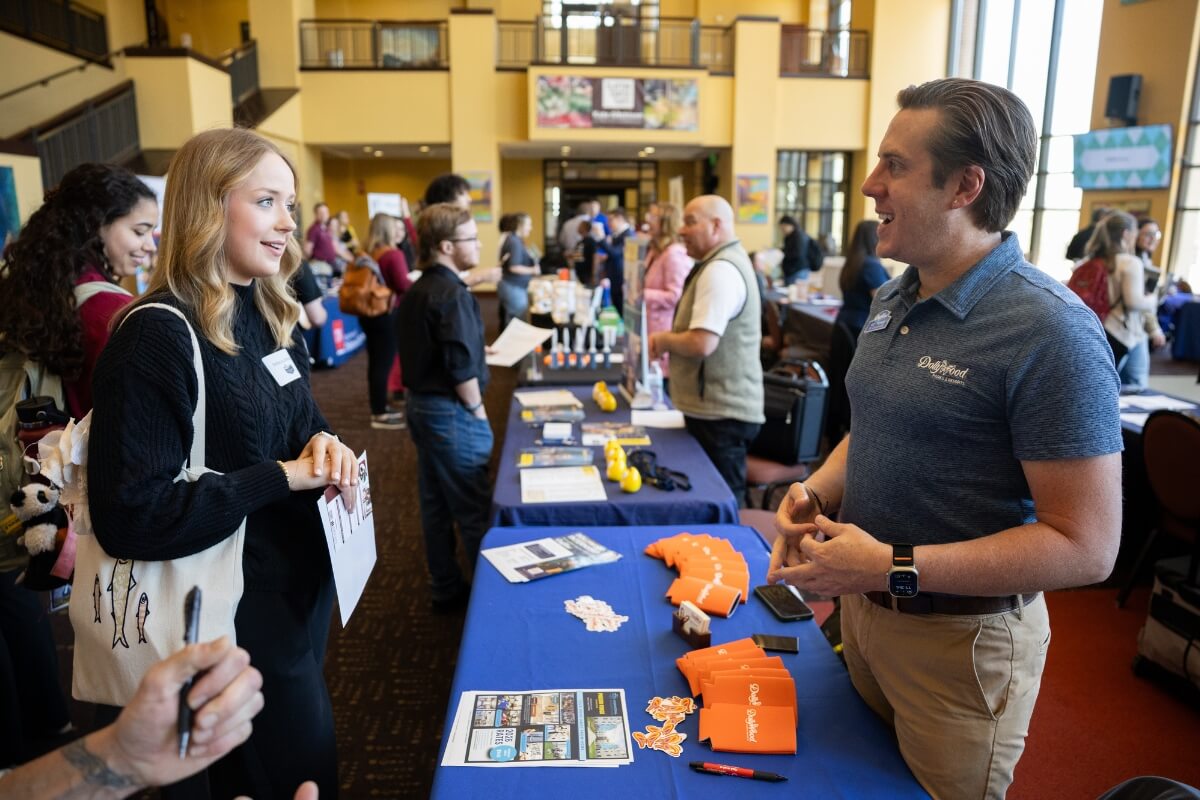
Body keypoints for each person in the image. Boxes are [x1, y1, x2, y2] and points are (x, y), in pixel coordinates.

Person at [769, 78, 1123, 800]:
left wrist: (895, 565)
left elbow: (1086, 547)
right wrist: (811, 492)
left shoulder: (1050, 331)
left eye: (894, 166)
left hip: (961, 648)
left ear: (965, 185)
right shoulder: (896, 293)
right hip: (865, 614)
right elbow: (871, 429)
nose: (871, 186)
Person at [89, 127, 360, 799]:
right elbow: (132, 516)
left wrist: (326, 445)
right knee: (296, 776)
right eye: (267, 201)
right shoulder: (156, 334)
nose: (289, 223)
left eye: (289, 204)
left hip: (293, 594)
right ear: (209, 207)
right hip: (227, 615)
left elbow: (301, 426)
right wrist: (286, 476)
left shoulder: (264, 312)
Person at [0, 163, 157, 769]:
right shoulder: (114, 311)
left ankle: (50, 738)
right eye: (140, 229)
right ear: (98, 227)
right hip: (103, 498)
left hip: (45, 490)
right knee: (126, 640)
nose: (149, 244)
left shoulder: (37, 291)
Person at [396, 203, 493, 612]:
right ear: (448, 246)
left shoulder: (418, 288)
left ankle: (445, 586)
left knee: (436, 503)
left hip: (420, 405)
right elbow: (457, 366)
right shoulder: (451, 293)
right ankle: (491, 601)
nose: (479, 245)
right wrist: (478, 410)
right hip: (451, 409)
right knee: (473, 509)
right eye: (472, 238)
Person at [649, 195, 764, 503]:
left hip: (721, 413)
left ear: (716, 226)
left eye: (690, 222)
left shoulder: (720, 270)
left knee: (721, 502)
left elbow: (702, 342)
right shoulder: (717, 265)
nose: (681, 231)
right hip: (715, 409)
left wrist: (661, 340)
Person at [1085, 211, 1164, 392]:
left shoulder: (1093, 260)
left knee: (1101, 382)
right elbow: (1133, 302)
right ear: (1126, 234)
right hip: (1121, 330)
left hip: (1098, 325)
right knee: (1130, 386)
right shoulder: (1130, 262)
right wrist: (1152, 300)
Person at [360, 213, 412, 429]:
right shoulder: (394, 254)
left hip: (368, 313)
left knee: (375, 363)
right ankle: (379, 414)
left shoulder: (369, 252)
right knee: (383, 364)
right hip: (386, 314)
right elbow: (403, 286)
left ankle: (378, 407)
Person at [422, 174, 502, 289]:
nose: (469, 199)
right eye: (463, 194)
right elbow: (440, 288)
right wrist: (480, 277)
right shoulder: (428, 233)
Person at [641, 202, 692, 382]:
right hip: (648, 327)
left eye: (653, 217)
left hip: (663, 329)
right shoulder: (655, 251)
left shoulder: (673, 254)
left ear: (665, 222)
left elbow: (677, 295)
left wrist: (643, 295)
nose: (648, 222)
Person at [834, 220, 888, 338]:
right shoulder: (871, 266)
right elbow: (884, 301)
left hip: (844, 322)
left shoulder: (852, 263)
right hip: (861, 327)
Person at [497, 212, 539, 327]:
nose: (530, 228)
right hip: (513, 287)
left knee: (513, 321)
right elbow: (513, 267)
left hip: (513, 286)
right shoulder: (514, 241)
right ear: (520, 225)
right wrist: (533, 270)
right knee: (517, 323)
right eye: (528, 225)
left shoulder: (514, 239)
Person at [603, 208, 631, 313]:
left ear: (619, 218)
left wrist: (601, 239)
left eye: (611, 220)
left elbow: (615, 253)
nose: (609, 224)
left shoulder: (627, 234)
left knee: (621, 310)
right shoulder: (616, 234)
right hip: (614, 278)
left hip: (621, 278)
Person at [778, 214, 818, 285]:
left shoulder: (798, 236)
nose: (782, 231)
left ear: (789, 225)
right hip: (792, 271)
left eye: (783, 228)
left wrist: (783, 254)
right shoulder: (790, 237)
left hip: (798, 271)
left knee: (795, 293)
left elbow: (798, 254)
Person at [303, 202, 338, 267]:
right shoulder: (314, 229)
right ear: (316, 214)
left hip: (331, 263)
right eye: (321, 213)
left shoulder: (326, 228)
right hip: (322, 265)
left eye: (326, 212)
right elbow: (307, 250)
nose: (324, 215)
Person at [1135, 217, 1163, 293]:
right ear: (1136, 235)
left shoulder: (1146, 257)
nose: (1153, 239)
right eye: (1148, 234)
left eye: (1156, 234)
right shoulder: (1133, 261)